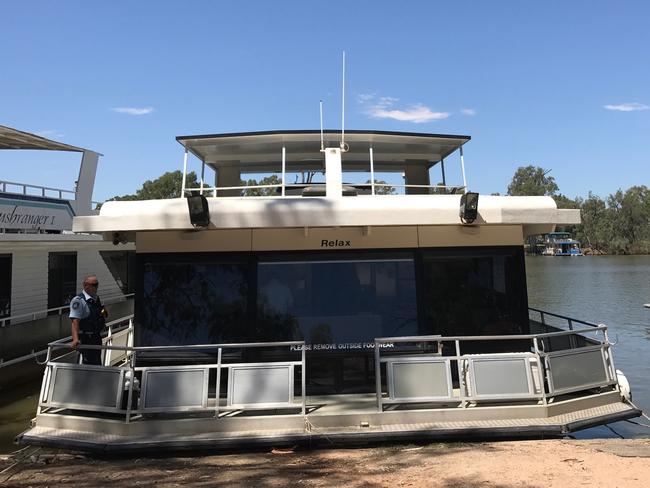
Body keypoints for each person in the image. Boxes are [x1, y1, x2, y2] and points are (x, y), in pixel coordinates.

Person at [69, 275, 107, 365]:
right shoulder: (78, 301)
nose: (96, 287)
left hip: (96, 338)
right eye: (94, 285)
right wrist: (75, 339)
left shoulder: (96, 299)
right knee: (88, 364)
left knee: (97, 363)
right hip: (86, 339)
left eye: (97, 284)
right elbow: (75, 321)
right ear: (86, 285)